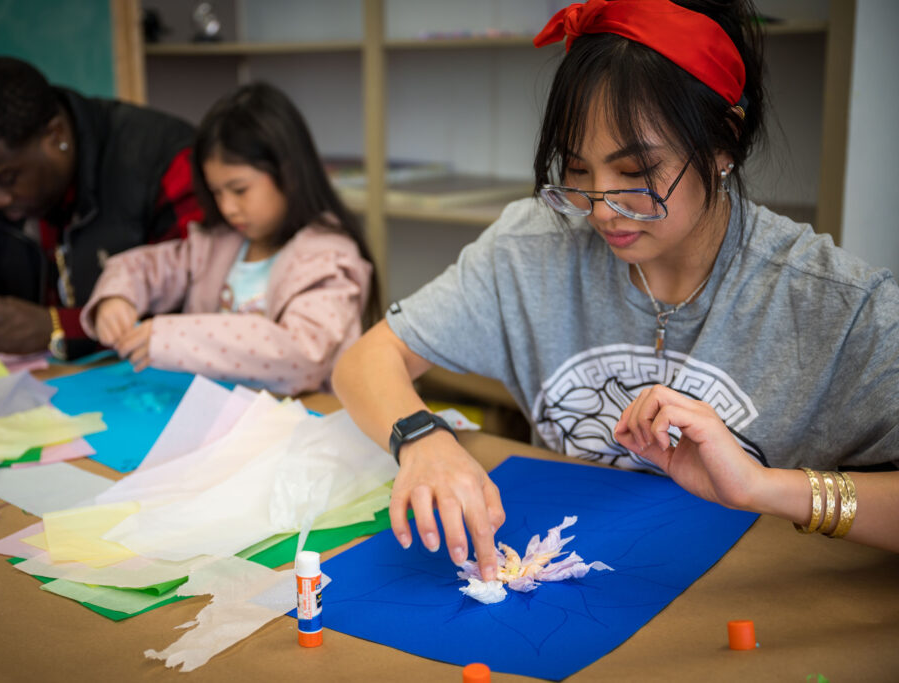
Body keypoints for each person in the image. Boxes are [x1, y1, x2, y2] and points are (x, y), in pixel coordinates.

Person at [332, 0, 899, 583]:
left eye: (636, 173)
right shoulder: (533, 247)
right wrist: (422, 437)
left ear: (724, 143)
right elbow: (365, 361)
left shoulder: (833, 303)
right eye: (577, 171)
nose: (602, 208)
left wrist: (764, 487)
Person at [0, 56, 201, 359]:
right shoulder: (8, 187)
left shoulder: (166, 163)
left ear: (55, 135)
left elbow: (201, 300)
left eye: (6, 179)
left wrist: (60, 326)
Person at [81, 82, 378, 395]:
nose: (227, 207)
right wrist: (116, 299)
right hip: (219, 420)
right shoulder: (216, 244)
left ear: (288, 172)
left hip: (299, 427)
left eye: (239, 190)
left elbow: (302, 356)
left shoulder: (328, 257)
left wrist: (176, 338)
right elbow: (143, 266)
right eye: (216, 192)